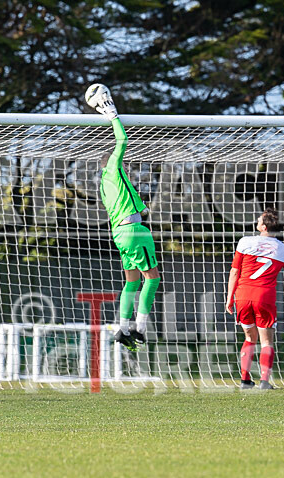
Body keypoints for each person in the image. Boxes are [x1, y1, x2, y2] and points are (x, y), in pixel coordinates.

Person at [86, 84, 161, 350]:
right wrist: (113, 116)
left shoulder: (107, 186)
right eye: (125, 165)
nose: (127, 167)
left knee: (131, 281)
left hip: (120, 232)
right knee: (152, 278)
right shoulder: (113, 169)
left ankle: (122, 327)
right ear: (113, 163)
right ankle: (140, 329)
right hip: (134, 231)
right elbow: (122, 142)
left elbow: (135, 204)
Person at [225, 208, 284, 390]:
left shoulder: (245, 242)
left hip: (242, 295)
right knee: (266, 341)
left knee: (250, 338)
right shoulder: (283, 249)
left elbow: (234, 271)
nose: (256, 222)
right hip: (264, 297)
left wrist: (229, 298)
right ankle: (264, 381)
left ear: (264, 227)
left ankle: (245, 380)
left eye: (259, 220)